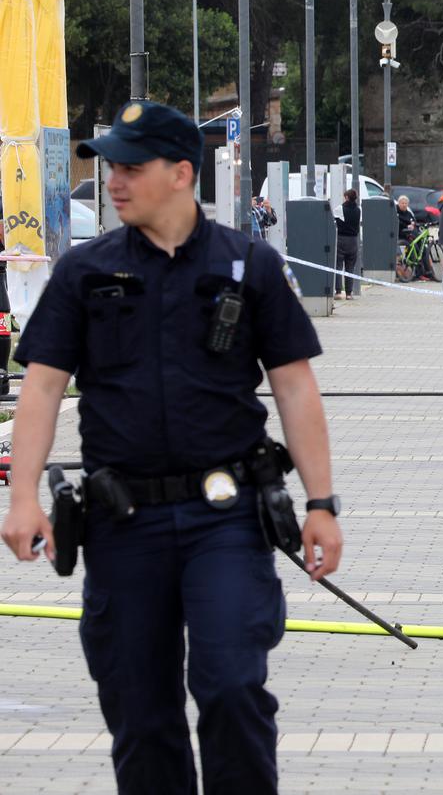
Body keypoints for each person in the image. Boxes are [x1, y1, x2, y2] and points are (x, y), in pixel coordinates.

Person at [0, 99, 341, 791]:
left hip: (226, 519)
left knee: (231, 686)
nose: (114, 182)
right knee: (139, 708)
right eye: (110, 168)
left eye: (131, 167)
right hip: (123, 524)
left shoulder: (249, 265)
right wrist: (23, 497)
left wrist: (321, 503)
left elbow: (295, 389)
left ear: (182, 172)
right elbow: (39, 389)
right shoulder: (83, 272)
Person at [334, 188, 361, 299]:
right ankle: (349, 294)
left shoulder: (340, 208)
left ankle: (339, 292)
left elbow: (334, 220)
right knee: (350, 267)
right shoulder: (358, 209)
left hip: (341, 239)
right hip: (354, 241)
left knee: (338, 266)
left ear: (346, 197)